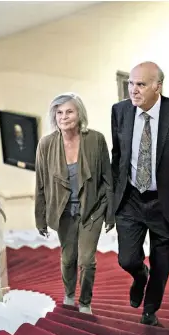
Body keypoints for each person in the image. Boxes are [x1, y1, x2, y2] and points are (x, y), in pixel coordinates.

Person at [111, 62, 169, 326]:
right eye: (130, 83)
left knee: (162, 264)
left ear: (157, 86)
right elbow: (117, 156)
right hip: (130, 199)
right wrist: (112, 196)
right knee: (127, 258)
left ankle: (150, 309)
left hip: (166, 202)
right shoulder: (119, 111)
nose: (133, 90)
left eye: (140, 84)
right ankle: (140, 275)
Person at [35, 93, 115, 314]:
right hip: (63, 212)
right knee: (68, 258)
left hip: (93, 209)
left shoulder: (96, 139)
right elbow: (40, 183)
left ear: (79, 114)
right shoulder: (46, 144)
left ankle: (86, 301)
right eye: (59, 112)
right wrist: (40, 217)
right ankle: (70, 293)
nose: (64, 117)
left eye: (69, 111)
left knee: (87, 260)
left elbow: (108, 179)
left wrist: (111, 214)